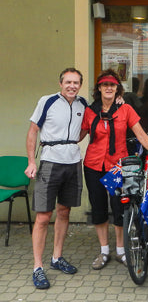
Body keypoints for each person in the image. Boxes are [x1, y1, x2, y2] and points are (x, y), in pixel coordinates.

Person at [81, 69, 148, 270]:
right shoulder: (90, 111)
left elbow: (142, 135)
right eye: (104, 84)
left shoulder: (125, 109)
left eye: (112, 85)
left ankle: (120, 250)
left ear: (118, 88)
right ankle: (104, 251)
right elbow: (78, 134)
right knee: (98, 208)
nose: (108, 87)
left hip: (118, 166)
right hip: (93, 165)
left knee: (120, 208)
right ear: (99, 88)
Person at [25, 67, 87, 289]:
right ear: (61, 83)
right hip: (50, 163)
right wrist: (32, 161)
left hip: (73, 163)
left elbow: (85, 129)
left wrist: (70, 142)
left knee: (64, 211)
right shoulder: (47, 101)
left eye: (76, 82)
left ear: (80, 85)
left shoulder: (83, 104)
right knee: (43, 216)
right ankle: (38, 267)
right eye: (68, 82)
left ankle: (57, 257)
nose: (72, 86)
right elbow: (33, 131)